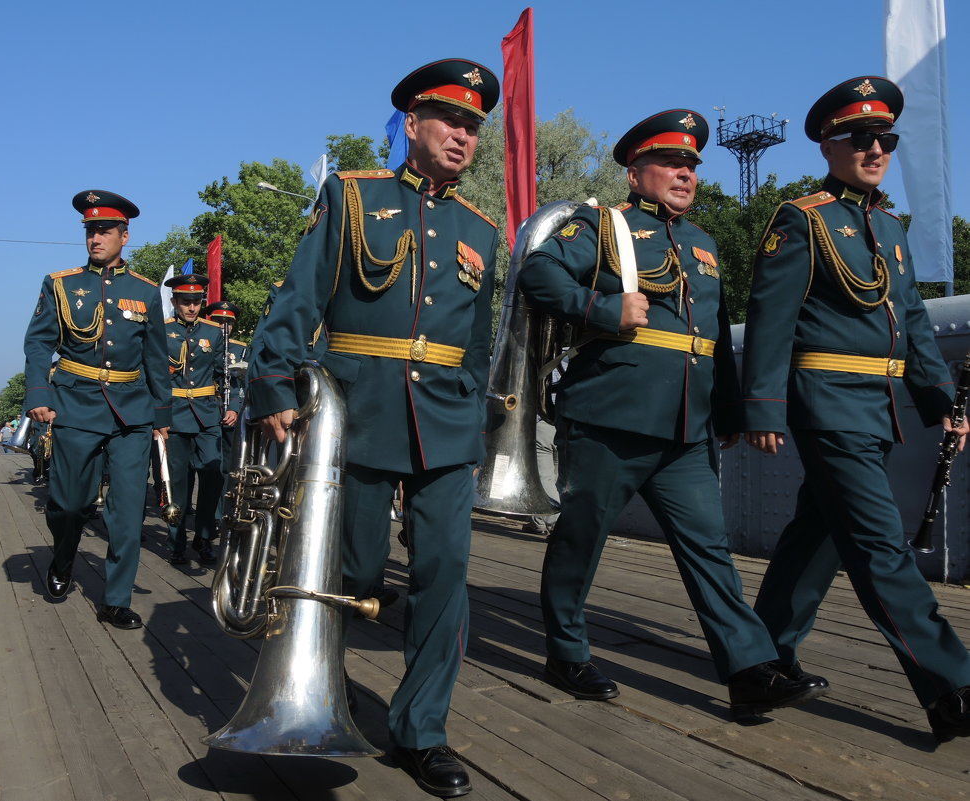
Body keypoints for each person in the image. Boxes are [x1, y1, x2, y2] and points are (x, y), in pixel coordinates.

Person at [519, 110, 829, 718]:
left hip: (686, 427)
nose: (685, 174)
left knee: (709, 549)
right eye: (671, 163)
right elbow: (538, 272)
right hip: (612, 417)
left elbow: (712, 337)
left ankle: (748, 671)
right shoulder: (601, 226)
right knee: (582, 538)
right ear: (636, 174)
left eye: (691, 165)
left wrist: (732, 408)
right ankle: (565, 649)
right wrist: (602, 309)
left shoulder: (705, 245)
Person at [248, 58, 499, 798]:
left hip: (448, 422)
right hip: (357, 413)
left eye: (474, 126)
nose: (462, 135)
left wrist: (479, 422)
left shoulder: (482, 230)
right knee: (351, 574)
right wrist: (273, 381)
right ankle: (322, 686)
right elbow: (299, 297)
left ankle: (422, 731)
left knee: (444, 575)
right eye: (450, 120)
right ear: (412, 124)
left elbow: (477, 341)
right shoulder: (353, 196)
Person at [742, 75, 970, 743]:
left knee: (816, 536)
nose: (876, 149)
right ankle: (952, 684)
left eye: (886, 139)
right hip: (827, 406)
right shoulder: (803, 219)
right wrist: (761, 408)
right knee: (879, 548)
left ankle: (761, 658)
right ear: (828, 145)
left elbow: (915, 324)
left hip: (879, 408)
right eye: (861, 138)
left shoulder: (890, 226)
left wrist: (940, 404)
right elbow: (770, 319)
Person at [23, 189, 171, 628]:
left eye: (104, 230)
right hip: (75, 405)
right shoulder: (61, 284)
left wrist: (161, 418)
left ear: (125, 236)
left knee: (126, 513)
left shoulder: (145, 292)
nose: (95, 238)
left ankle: (115, 599)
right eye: (90, 230)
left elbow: (156, 360)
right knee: (69, 505)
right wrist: (38, 394)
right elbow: (38, 343)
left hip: (131, 414)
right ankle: (63, 560)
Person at [163, 275, 235, 566]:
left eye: (196, 302)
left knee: (213, 475)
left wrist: (228, 407)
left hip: (206, 415)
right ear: (174, 302)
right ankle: (176, 541)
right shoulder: (162, 331)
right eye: (185, 302)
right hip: (174, 414)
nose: (192, 307)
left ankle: (204, 536)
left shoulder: (215, 332)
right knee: (178, 483)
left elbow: (223, 375)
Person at [203, 300, 247, 515]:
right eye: (218, 321)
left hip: (229, 408)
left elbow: (240, 384)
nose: (223, 326)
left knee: (227, 466)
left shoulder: (241, 349)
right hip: (205, 407)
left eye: (227, 322)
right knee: (204, 464)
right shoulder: (201, 342)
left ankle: (222, 513)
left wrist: (234, 408)